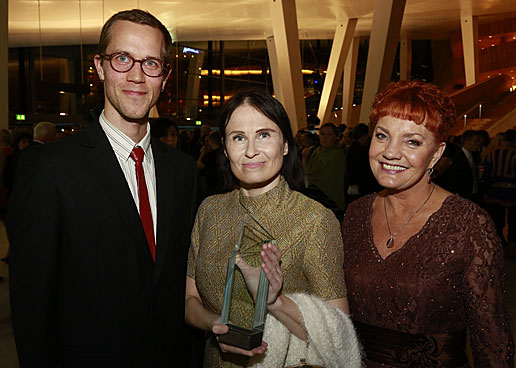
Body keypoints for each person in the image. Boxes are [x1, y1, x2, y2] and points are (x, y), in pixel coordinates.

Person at [8, 9, 199, 367]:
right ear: (99, 66)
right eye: (123, 59)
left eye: (151, 64)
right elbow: (32, 303)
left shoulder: (183, 171)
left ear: (165, 76)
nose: (137, 76)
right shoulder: (49, 168)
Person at [342, 81, 514, 367]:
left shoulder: (468, 224)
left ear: (436, 153)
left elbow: (492, 340)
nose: (391, 153)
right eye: (382, 136)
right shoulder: (356, 214)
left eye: (412, 142)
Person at [185, 89, 361, 367]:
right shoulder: (210, 210)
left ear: (286, 145)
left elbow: (336, 335)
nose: (251, 149)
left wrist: (275, 303)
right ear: (225, 146)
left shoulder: (314, 220)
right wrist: (216, 323)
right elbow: (191, 300)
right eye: (238, 137)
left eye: (264, 135)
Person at [304, 123, 347, 214]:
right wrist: (304, 158)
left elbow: (316, 177)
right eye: (322, 134)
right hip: (314, 199)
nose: (325, 137)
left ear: (336, 137)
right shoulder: (316, 152)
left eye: (329, 134)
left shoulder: (337, 155)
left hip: (330, 201)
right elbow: (307, 172)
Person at [442, 129, 482, 201]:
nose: (478, 144)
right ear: (467, 141)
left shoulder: (475, 156)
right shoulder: (458, 157)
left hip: (473, 194)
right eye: (476, 141)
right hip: (463, 195)